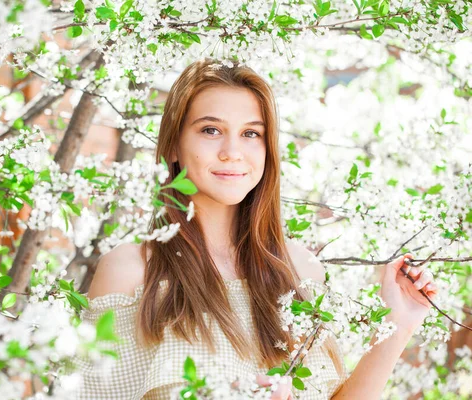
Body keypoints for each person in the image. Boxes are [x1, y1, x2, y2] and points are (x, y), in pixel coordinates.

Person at [73, 58, 439, 399]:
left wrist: (397, 324)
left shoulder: (300, 269)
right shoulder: (131, 272)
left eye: (251, 134)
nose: (233, 151)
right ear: (174, 145)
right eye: (211, 129)